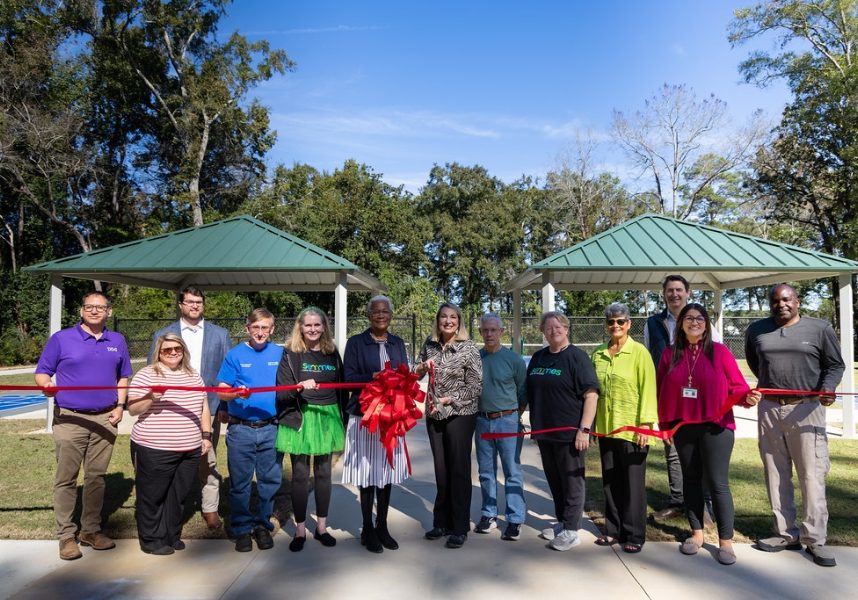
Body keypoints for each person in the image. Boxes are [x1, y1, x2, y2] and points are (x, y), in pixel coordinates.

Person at [745, 284, 845, 567]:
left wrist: (827, 388)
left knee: (811, 475)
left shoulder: (820, 328)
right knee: (775, 473)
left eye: (786, 299)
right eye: (775, 300)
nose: (781, 305)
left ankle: (815, 539)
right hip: (770, 408)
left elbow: (835, 365)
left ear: (797, 301)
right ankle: (785, 533)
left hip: (807, 408)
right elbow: (756, 363)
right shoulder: (756, 330)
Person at [35, 291, 133, 560]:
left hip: (105, 418)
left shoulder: (117, 340)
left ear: (109, 312)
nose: (93, 311)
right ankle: (66, 535)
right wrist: (46, 387)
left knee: (96, 478)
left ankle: (90, 530)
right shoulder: (62, 338)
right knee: (66, 478)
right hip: (70, 417)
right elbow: (42, 371)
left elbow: (123, 376)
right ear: (81, 310)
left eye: (99, 307)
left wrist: (119, 407)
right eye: (89, 307)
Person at [657, 303, 753, 566]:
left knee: (718, 483)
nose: (694, 322)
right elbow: (661, 391)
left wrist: (748, 398)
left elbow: (739, 387)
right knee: (690, 480)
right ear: (681, 324)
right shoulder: (669, 354)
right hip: (683, 427)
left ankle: (725, 542)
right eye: (689, 318)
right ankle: (697, 534)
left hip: (716, 427)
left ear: (707, 324)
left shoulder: (719, 352)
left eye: (700, 318)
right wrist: (664, 425)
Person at [149, 286, 231, 530]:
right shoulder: (164, 334)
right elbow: (153, 370)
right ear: (180, 305)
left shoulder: (220, 334)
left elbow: (226, 373)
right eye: (190, 301)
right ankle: (174, 505)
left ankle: (210, 508)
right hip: (172, 408)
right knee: (173, 458)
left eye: (199, 302)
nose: (195, 305)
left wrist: (225, 405)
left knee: (208, 459)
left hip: (211, 407)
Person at [128, 334, 212, 555]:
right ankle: (151, 539)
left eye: (177, 349)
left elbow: (203, 406)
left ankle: (170, 534)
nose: (173, 353)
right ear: (159, 352)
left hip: (190, 447)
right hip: (155, 447)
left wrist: (206, 435)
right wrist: (151, 396)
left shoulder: (193, 375)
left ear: (183, 351)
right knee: (153, 495)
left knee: (178, 495)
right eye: (167, 350)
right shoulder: (147, 374)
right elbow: (133, 409)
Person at [644, 275, 716, 524]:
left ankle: (703, 504)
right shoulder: (652, 323)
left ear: (687, 292)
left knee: (702, 451)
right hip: (669, 397)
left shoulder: (701, 319)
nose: (674, 294)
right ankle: (678, 501)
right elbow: (649, 360)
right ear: (663, 294)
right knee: (673, 450)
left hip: (699, 399)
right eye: (669, 290)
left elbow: (715, 357)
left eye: (679, 290)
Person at [342, 295, 410, 553]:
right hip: (365, 417)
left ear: (391, 315)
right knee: (367, 473)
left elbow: (403, 374)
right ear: (368, 315)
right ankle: (367, 528)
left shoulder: (397, 343)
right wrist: (373, 378)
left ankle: (382, 525)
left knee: (386, 472)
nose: (381, 315)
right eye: (376, 311)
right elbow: (349, 379)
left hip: (391, 418)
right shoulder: (356, 343)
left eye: (385, 311)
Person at [526, 311, 599, 552]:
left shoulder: (577, 358)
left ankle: (572, 529)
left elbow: (591, 394)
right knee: (555, 480)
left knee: (572, 481)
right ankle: (562, 522)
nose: (553, 330)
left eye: (558, 326)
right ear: (543, 332)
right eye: (548, 328)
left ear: (566, 329)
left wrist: (584, 429)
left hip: (570, 434)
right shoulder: (538, 358)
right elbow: (529, 392)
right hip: (544, 433)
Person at [276, 307, 347, 552]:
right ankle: (299, 529)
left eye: (318, 325)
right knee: (299, 474)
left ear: (324, 327)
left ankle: (322, 528)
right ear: (300, 327)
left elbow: (342, 388)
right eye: (308, 325)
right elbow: (282, 390)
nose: (313, 329)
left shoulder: (331, 352)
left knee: (324, 473)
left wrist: (344, 418)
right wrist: (298, 386)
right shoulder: (291, 353)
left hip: (327, 416)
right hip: (302, 417)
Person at [415, 302, 482, 549]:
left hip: (460, 415)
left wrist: (450, 400)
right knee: (441, 471)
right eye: (444, 316)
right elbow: (415, 374)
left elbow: (476, 386)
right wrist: (421, 366)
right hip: (434, 415)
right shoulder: (429, 345)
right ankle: (440, 522)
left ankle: (459, 526)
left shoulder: (469, 348)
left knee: (459, 470)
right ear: (438, 320)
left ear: (459, 321)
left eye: (453, 317)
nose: (448, 321)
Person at [591, 302, 657, 554]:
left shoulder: (640, 353)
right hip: (607, 427)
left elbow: (648, 389)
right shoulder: (598, 353)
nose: (615, 325)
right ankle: (612, 529)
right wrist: (594, 424)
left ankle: (634, 533)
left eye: (620, 321)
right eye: (610, 321)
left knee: (633, 484)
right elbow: (593, 391)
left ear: (629, 324)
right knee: (610, 481)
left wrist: (645, 424)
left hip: (633, 429)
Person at [217, 308, 283, 553]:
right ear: (247, 329)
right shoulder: (235, 355)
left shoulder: (281, 353)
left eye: (265, 327)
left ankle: (262, 525)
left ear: (272, 329)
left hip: (271, 427)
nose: (260, 332)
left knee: (269, 481)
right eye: (255, 327)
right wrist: (235, 393)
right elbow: (221, 391)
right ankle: (242, 528)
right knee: (240, 484)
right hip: (241, 429)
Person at [472, 313, 527, 541]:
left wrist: (514, 416)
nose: (489, 334)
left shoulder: (513, 360)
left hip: (507, 419)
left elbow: (523, 391)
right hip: (482, 420)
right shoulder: (476, 358)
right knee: (486, 472)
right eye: (485, 330)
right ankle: (489, 513)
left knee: (512, 471)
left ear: (502, 332)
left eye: (494, 330)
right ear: (481, 332)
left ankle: (515, 518)